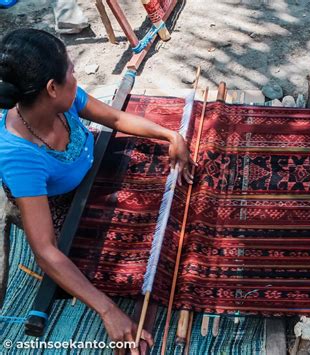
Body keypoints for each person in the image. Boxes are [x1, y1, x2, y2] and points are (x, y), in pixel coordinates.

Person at [0, 29, 195, 353]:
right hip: (64, 204)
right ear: (51, 88)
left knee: (162, 194)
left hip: (95, 170)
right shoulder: (19, 156)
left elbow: (115, 117)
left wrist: (171, 135)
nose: (75, 76)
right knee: (115, 262)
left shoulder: (61, 100)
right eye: (71, 71)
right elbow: (45, 250)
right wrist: (107, 310)